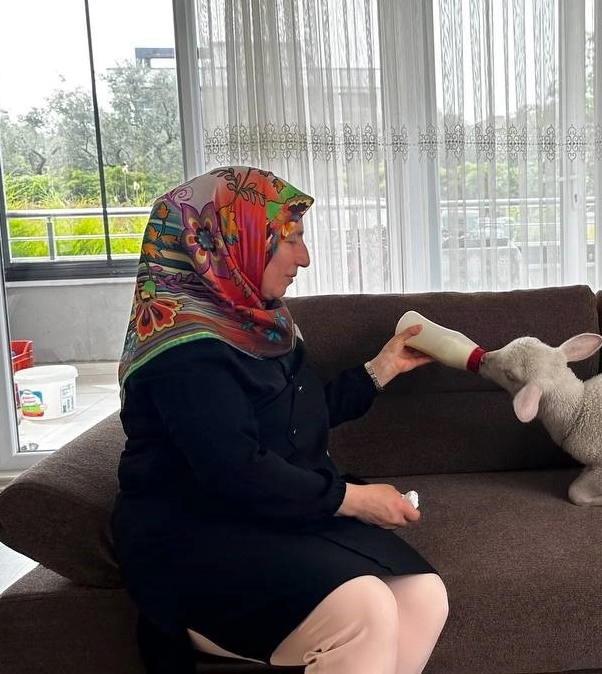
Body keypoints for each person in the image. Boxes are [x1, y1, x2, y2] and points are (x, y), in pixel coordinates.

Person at [111, 166, 448, 673]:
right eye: (289, 240)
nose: (304, 258)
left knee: (423, 593)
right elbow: (234, 469)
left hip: (271, 514)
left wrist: (381, 370)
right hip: (194, 532)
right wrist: (353, 500)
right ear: (229, 240)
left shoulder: (261, 322)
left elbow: (293, 417)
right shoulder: (184, 351)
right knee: (364, 608)